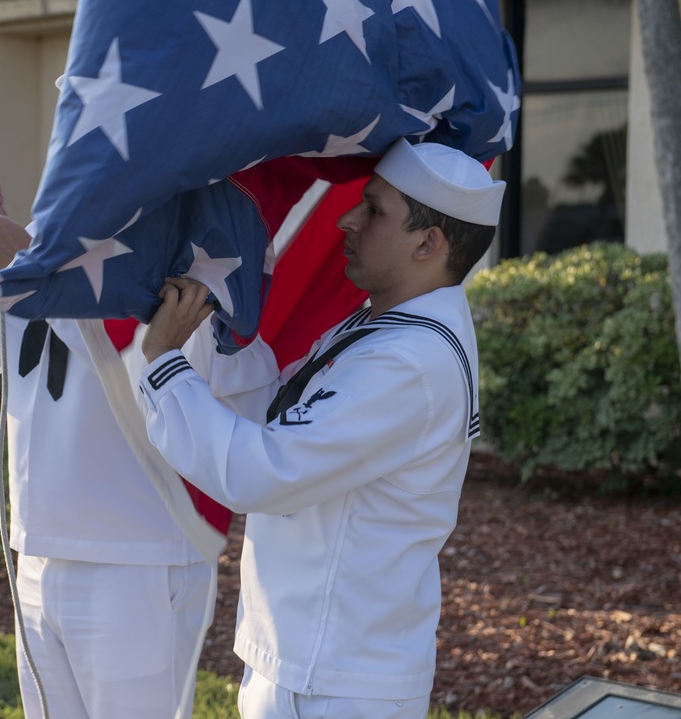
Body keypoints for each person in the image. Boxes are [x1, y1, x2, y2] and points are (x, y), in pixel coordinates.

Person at [137, 138, 505, 719]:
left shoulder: (408, 362)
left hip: (338, 681)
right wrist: (225, 338)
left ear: (427, 243)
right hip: (310, 661)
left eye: (375, 210)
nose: (347, 219)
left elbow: (263, 473)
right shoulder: (385, 328)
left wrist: (163, 366)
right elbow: (281, 418)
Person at [0, 182, 227, 719]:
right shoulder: (42, 237)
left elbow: (151, 373)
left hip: (136, 554)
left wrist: (28, 264)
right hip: (39, 548)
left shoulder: (183, 232)